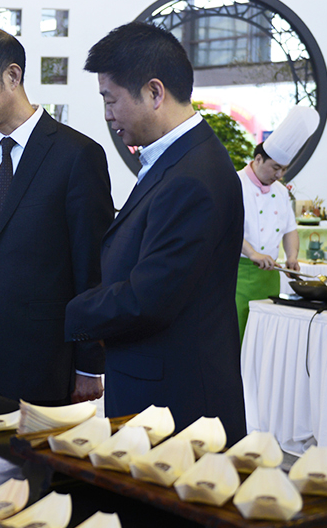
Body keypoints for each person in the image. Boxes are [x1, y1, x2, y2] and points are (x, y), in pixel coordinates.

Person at [64, 22, 246, 442]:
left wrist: (64, 311)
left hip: (177, 401)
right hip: (156, 385)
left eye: (110, 99)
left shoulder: (193, 177)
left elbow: (148, 299)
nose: (107, 114)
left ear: (154, 93)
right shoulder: (179, 159)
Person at [0, 26, 113, 405]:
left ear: (12, 76)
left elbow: (91, 269)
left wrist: (89, 365)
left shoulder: (77, 156)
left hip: (40, 358)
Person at [234, 105, 319, 342]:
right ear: (258, 159)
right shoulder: (234, 183)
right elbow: (228, 229)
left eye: (283, 169)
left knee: (265, 339)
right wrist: (253, 253)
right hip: (238, 275)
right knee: (237, 336)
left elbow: (290, 229)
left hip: (271, 275)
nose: (279, 175)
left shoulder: (281, 192)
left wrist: (292, 257)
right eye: (275, 168)